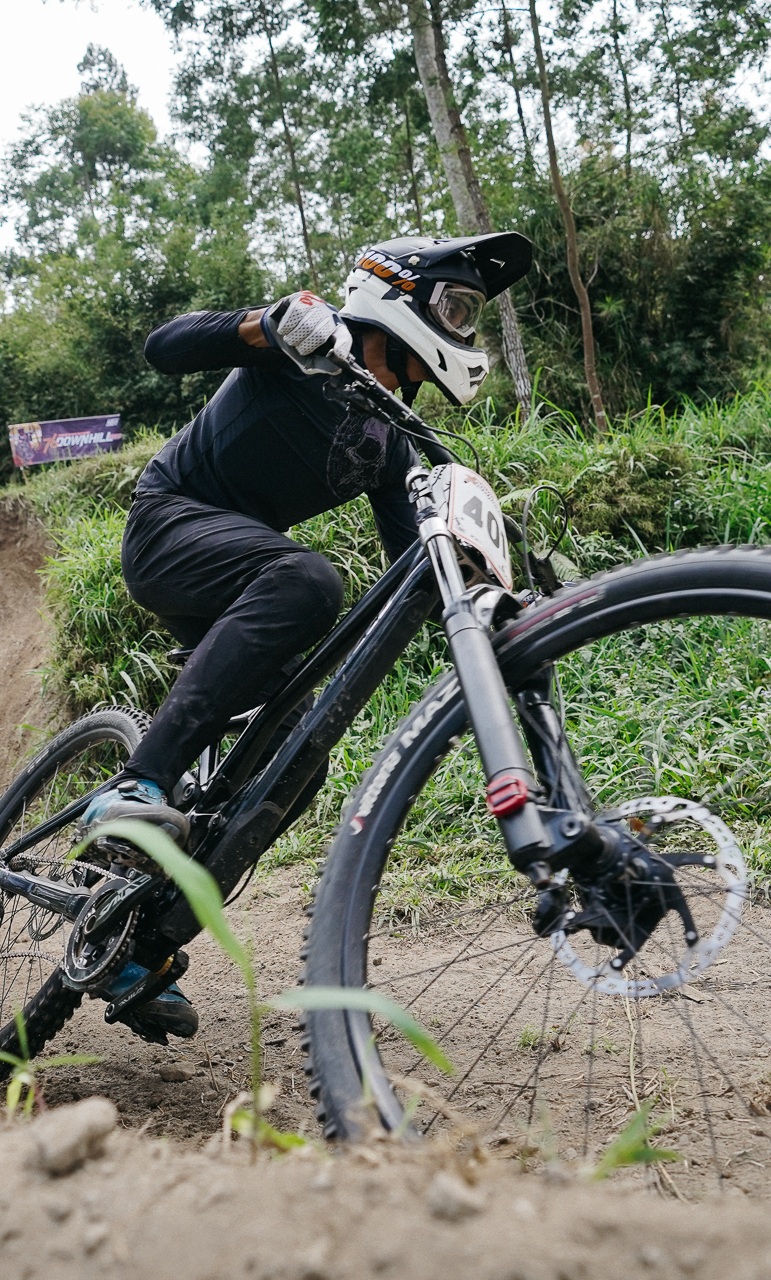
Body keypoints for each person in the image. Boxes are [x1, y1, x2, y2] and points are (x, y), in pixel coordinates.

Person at [78, 230, 534, 1041]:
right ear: (396, 297)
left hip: (246, 585)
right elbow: (164, 345)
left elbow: (414, 577)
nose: (463, 329)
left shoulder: (393, 441)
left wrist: (500, 592)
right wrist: (264, 322)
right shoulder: (303, 344)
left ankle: (134, 946)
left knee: (296, 764)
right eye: (455, 307)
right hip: (170, 529)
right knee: (308, 579)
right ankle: (135, 787)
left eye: (472, 317)